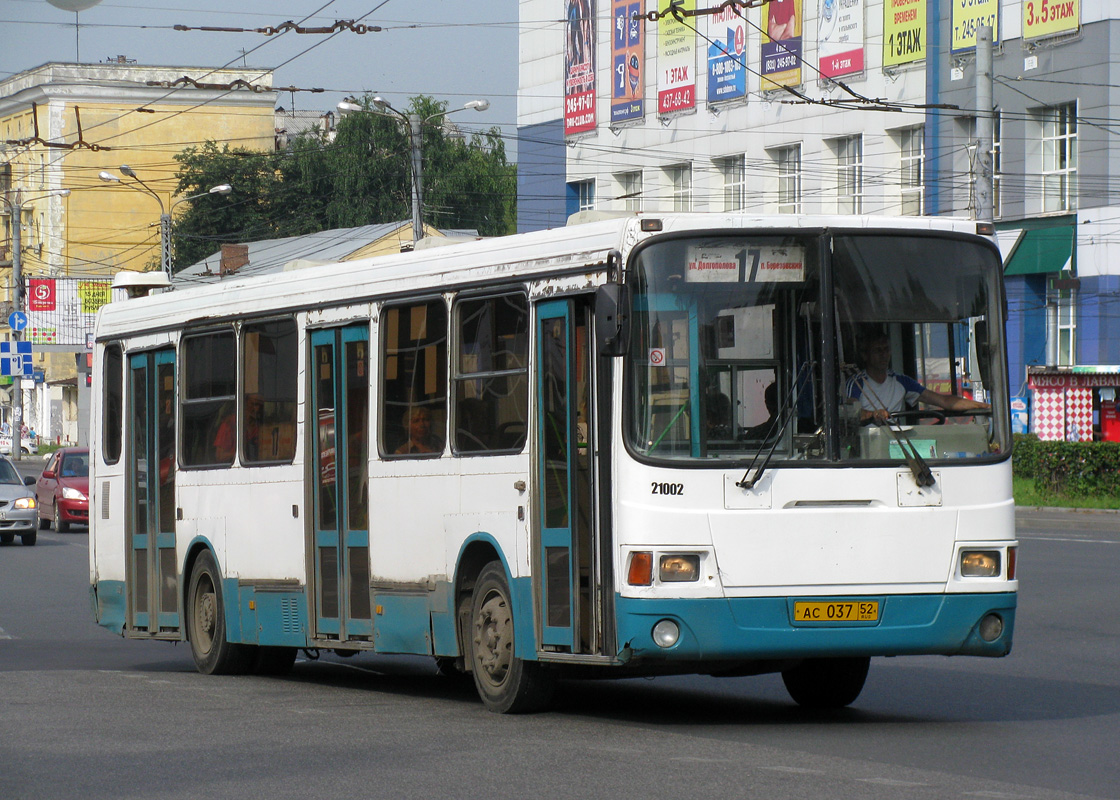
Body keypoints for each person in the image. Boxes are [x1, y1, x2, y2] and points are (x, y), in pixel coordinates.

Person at [846, 333, 989, 424]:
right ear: (865, 355)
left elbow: (944, 401)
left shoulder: (902, 381)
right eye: (878, 350)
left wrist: (983, 406)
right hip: (865, 449)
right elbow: (851, 414)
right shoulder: (856, 383)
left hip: (895, 445)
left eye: (886, 349)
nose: (884, 355)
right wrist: (873, 415)